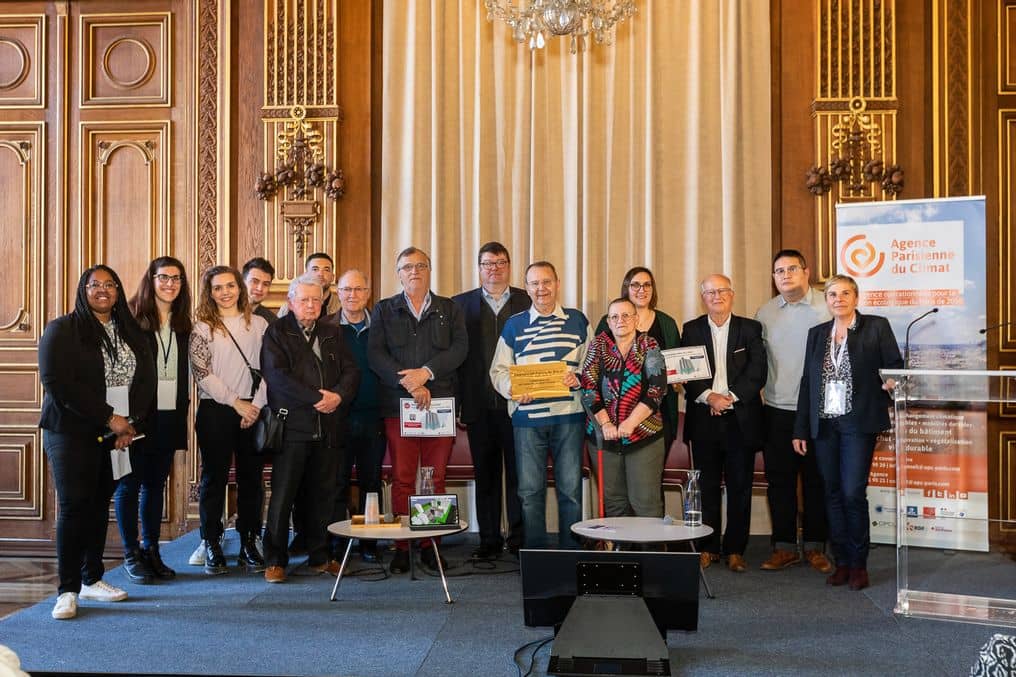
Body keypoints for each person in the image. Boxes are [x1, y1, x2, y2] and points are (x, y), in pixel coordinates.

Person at [40, 265, 156, 619]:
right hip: (70, 431)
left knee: (97, 505)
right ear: (83, 289)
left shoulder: (131, 330)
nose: (102, 290)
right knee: (75, 506)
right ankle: (68, 590)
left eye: (110, 285)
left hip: (116, 434)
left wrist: (128, 426)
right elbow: (58, 382)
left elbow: (146, 380)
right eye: (95, 285)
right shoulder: (63, 329)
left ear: (119, 291)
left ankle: (92, 579)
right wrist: (110, 418)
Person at [793, 274, 902, 591]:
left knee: (853, 492)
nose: (838, 299)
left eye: (844, 293)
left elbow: (894, 365)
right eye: (831, 294)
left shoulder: (876, 327)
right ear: (826, 301)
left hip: (858, 423)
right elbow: (807, 383)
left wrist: (891, 382)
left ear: (856, 297)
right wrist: (800, 428)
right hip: (825, 424)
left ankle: (858, 564)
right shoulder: (817, 334)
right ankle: (841, 561)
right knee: (832, 492)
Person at [367, 247, 467, 574]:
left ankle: (430, 544)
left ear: (429, 270)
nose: (414, 272)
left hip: (439, 404)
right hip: (400, 407)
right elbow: (377, 356)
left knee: (434, 478)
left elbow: (459, 349)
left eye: (420, 265)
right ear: (398, 274)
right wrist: (411, 383)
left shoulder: (449, 309)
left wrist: (427, 373)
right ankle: (402, 544)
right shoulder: (384, 310)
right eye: (407, 267)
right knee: (404, 477)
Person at [260, 275, 359, 583]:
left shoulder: (332, 331)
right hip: (293, 426)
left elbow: (351, 370)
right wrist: (318, 398)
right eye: (304, 300)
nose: (311, 305)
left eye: (316, 300)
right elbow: (277, 377)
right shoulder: (277, 332)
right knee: (283, 496)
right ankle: (275, 561)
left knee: (324, 495)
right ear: (290, 302)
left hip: (329, 426)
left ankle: (320, 556)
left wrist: (339, 396)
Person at [490, 261, 590, 549]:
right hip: (527, 421)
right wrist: (513, 390)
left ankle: (571, 555)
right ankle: (535, 558)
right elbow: (498, 371)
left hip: (568, 418)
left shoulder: (578, 320)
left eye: (546, 282)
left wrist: (580, 377)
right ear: (527, 288)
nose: (541, 288)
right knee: (529, 492)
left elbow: (592, 364)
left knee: (570, 491)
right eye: (534, 283)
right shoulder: (514, 325)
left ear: (557, 284)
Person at [754, 249, 833, 574]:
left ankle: (816, 547)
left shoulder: (827, 307)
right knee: (780, 482)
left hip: (820, 412)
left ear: (806, 270)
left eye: (791, 269)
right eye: (778, 271)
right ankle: (784, 547)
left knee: (817, 480)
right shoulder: (766, 312)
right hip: (777, 410)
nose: (785, 275)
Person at [113, 257, 192, 584]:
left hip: (170, 414)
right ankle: (131, 553)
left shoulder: (183, 322)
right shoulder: (131, 318)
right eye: (164, 277)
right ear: (151, 279)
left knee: (155, 485)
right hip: (137, 417)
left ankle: (151, 550)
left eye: (176, 278)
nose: (170, 284)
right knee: (129, 485)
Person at [681, 274, 766, 573]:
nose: (717, 296)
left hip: (740, 418)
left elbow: (758, 372)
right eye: (710, 292)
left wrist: (727, 398)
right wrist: (709, 397)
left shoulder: (750, 328)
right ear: (702, 297)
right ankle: (708, 547)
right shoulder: (690, 329)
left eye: (722, 291)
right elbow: (686, 374)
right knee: (707, 487)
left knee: (740, 486)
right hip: (704, 418)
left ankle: (735, 550)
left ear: (732, 294)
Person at [452, 242, 531, 559]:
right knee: (485, 476)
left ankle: (518, 538)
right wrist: (457, 403)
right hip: (477, 405)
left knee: (518, 475)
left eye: (500, 262)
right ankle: (488, 540)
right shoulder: (460, 305)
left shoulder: (527, 301)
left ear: (509, 266)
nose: (494, 268)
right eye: (488, 263)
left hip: (518, 405)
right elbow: (455, 360)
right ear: (479, 267)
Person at [190, 265, 268, 575]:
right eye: (218, 287)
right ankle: (211, 542)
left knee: (251, 480)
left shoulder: (259, 324)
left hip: (253, 411)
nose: (225, 292)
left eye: (230, 286)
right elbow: (202, 374)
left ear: (240, 288)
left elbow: (271, 369)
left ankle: (250, 540)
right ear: (209, 293)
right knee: (214, 479)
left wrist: (256, 406)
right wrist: (236, 403)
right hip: (216, 411)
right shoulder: (202, 328)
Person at [580, 297, 668, 517]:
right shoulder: (598, 345)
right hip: (604, 437)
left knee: (645, 503)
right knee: (614, 503)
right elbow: (588, 387)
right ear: (608, 322)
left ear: (636, 319)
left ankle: (649, 550)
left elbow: (657, 389)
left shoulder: (649, 345)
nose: (621, 320)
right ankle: (619, 550)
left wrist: (630, 422)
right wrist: (606, 423)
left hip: (643, 437)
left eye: (626, 315)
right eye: (614, 316)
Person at [328, 269, 386, 563]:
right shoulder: (326, 326)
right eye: (346, 290)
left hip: (375, 416)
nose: (352, 295)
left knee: (371, 483)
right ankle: (337, 542)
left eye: (358, 290)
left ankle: (368, 542)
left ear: (368, 293)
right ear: (338, 292)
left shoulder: (382, 326)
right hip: (338, 418)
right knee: (336, 482)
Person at [594, 267, 681, 450]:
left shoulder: (667, 323)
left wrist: (679, 377)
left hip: (658, 414)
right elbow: (594, 366)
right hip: (614, 415)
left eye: (647, 285)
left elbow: (676, 361)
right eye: (635, 285)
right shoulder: (607, 322)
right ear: (626, 288)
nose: (642, 290)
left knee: (649, 475)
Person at [278, 252, 341, 319]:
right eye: (315, 269)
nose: (320, 274)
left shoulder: (341, 307)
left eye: (326, 270)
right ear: (306, 274)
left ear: (332, 277)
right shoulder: (289, 307)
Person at [243, 257, 278, 326]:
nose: (260, 288)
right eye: (255, 281)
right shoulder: (223, 312)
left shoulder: (272, 322)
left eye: (265, 284)